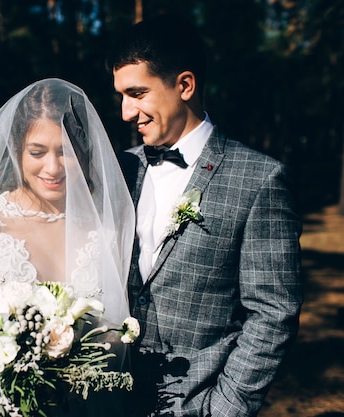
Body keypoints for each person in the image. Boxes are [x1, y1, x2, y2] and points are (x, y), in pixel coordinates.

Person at [106, 14, 303, 417]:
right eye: (122, 96)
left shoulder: (259, 179)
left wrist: (225, 407)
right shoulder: (117, 170)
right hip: (108, 402)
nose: (126, 112)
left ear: (185, 85)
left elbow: (273, 312)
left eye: (137, 93)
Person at [0, 78, 136, 417]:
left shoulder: (106, 229)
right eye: (37, 152)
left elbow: (117, 335)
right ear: (17, 149)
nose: (53, 167)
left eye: (66, 152)